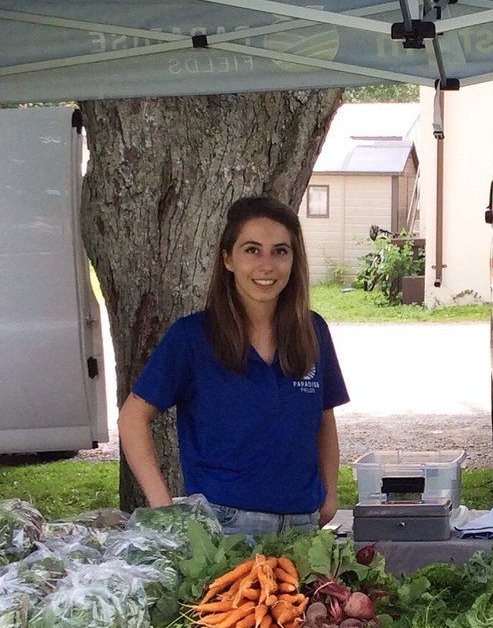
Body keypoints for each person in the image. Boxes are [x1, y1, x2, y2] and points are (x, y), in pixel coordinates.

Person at [117, 195, 348, 536]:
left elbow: (323, 418)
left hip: (302, 525)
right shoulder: (192, 337)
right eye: (252, 250)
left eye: (280, 251)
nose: (266, 265)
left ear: (294, 260)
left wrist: (330, 495)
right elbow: (132, 418)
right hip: (224, 526)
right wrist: (164, 509)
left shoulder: (312, 331)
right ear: (228, 259)